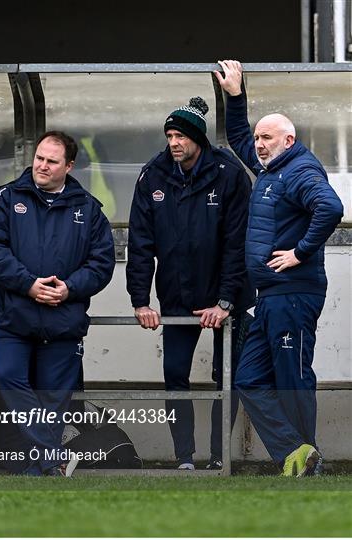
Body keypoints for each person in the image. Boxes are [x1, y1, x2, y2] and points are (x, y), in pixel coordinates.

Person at [214, 60, 344, 476]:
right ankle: (296, 453)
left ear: (289, 139)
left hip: (294, 294)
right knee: (249, 380)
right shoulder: (272, 169)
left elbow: (331, 208)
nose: (259, 144)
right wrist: (236, 95)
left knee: (292, 379)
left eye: (267, 137)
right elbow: (237, 136)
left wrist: (300, 253)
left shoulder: (300, 170)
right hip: (268, 298)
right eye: (258, 138)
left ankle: (309, 462)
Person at [126, 97, 255, 470]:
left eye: (180, 135)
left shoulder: (228, 173)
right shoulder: (152, 175)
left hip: (225, 299)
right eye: (169, 135)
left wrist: (226, 300)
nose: (173, 142)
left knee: (224, 378)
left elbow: (238, 243)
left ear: (197, 138)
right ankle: (184, 457)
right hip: (178, 296)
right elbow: (140, 242)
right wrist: (140, 300)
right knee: (175, 375)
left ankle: (218, 456)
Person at [0, 130, 115, 476]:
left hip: (62, 319)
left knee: (55, 400)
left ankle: (40, 472)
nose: (41, 165)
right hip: (13, 316)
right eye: (38, 157)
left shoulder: (89, 209)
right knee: (8, 375)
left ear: (68, 166)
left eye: (51, 161)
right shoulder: (6, 199)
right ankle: (53, 455)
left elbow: (102, 264)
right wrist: (28, 285)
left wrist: (69, 289)